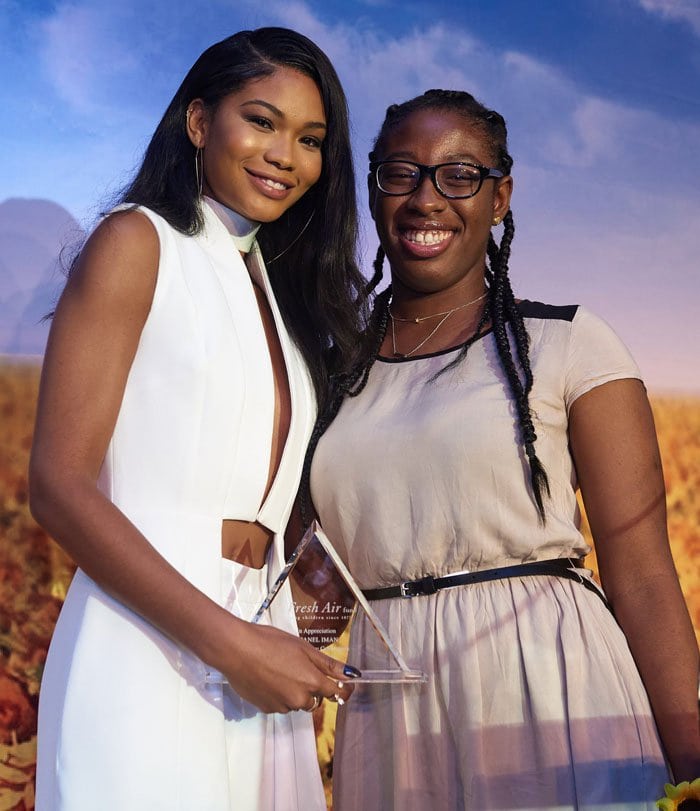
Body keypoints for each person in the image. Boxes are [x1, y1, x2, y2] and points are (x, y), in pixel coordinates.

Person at [306, 89, 700, 810]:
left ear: (500, 198)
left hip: (548, 683)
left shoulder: (566, 343)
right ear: (374, 189)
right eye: (402, 173)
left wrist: (694, 767)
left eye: (461, 175)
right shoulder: (331, 372)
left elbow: (642, 575)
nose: (428, 198)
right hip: (388, 705)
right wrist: (289, 665)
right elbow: (320, 581)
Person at [29, 27, 366, 811]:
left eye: (310, 139)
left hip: (260, 639)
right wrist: (231, 645)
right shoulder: (137, 241)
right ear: (198, 122)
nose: (286, 154)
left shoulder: (273, 289)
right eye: (262, 120)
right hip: (146, 643)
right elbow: (58, 485)